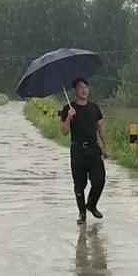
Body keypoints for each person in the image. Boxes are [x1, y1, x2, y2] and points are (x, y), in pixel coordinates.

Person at [61, 78, 110, 225]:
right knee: (79, 184)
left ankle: (91, 204)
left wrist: (106, 145)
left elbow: (100, 128)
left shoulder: (94, 108)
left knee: (99, 180)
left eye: (86, 87)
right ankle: (82, 213)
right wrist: (69, 117)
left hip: (94, 150)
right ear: (75, 91)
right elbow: (64, 132)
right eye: (81, 88)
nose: (84, 90)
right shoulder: (68, 108)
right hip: (77, 151)